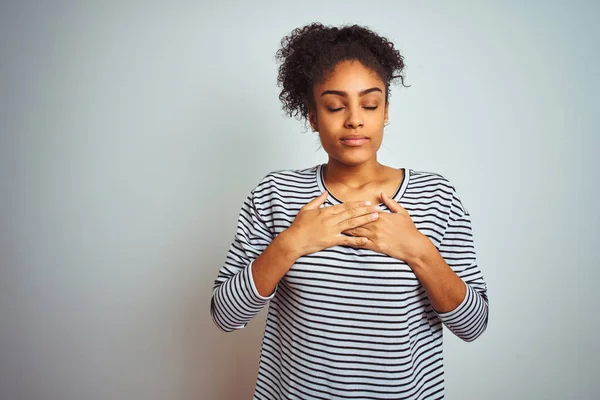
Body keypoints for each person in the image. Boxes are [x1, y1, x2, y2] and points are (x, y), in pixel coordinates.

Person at [210, 22, 489, 400]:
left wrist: (418, 251)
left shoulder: (435, 196)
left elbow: (473, 325)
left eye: (370, 104)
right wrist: (291, 244)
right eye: (335, 106)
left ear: (386, 110)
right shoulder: (275, 194)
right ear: (312, 115)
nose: (354, 119)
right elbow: (226, 315)